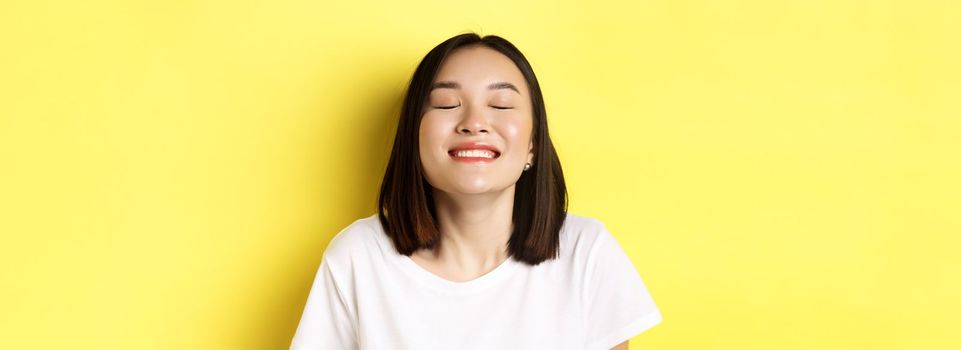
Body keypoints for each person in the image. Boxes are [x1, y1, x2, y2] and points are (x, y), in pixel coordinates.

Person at [290, 32, 662, 350]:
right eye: (447, 104)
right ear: (413, 138)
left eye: (501, 104)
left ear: (533, 144)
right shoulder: (358, 257)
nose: (474, 123)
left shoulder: (587, 252)